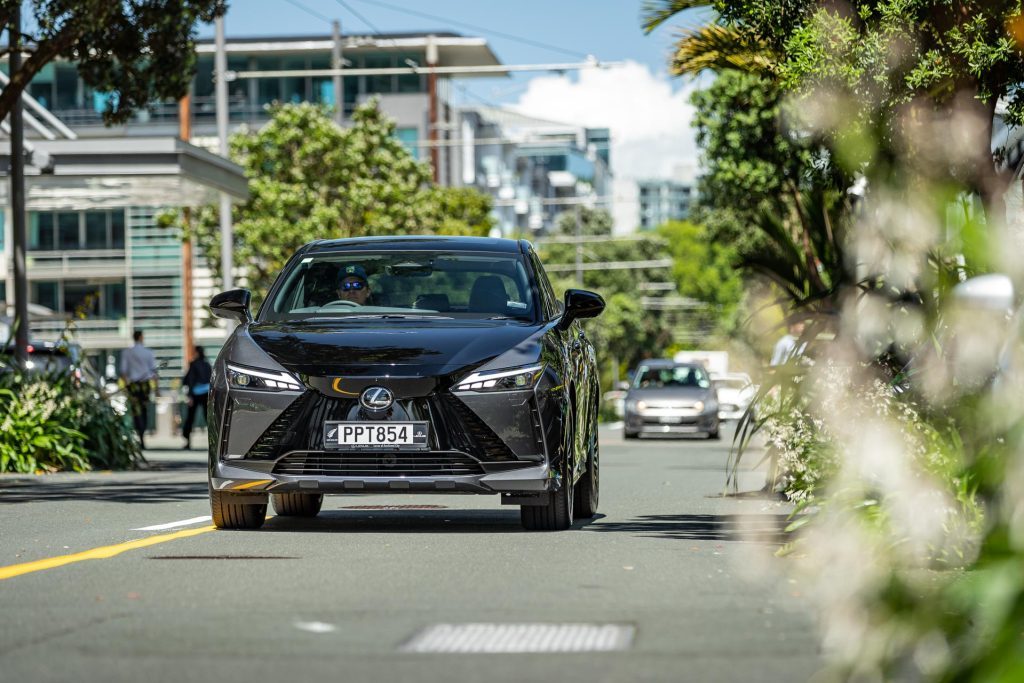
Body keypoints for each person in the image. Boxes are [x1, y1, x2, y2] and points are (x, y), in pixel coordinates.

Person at [120, 329, 158, 449]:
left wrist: (126, 386)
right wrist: (156, 389)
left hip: (133, 385)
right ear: (141, 337)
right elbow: (154, 372)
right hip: (145, 384)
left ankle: (139, 434)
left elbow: (123, 372)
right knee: (144, 409)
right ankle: (142, 433)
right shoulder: (148, 352)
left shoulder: (127, 352)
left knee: (136, 411)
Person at [181, 346, 212, 450]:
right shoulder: (208, 365)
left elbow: (189, 380)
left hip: (195, 394)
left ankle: (187, 442)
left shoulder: (193, 364)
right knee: (209, 420)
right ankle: (213, 443)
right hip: (206, 394)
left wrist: (189, 395)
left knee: (190, 419)